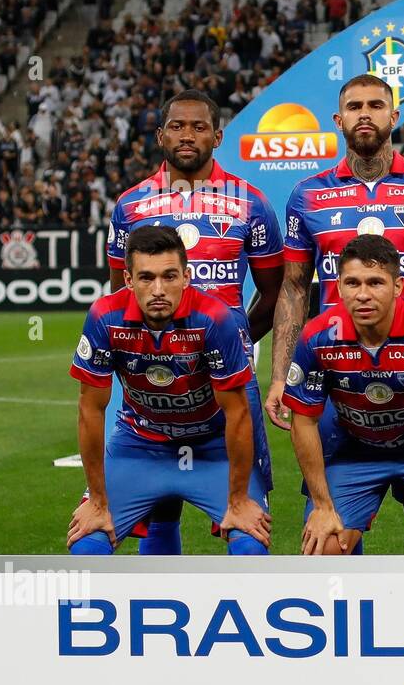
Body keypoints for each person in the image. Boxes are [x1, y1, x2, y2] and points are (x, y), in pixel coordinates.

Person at [268, 74, 404, 546]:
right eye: (355, 106)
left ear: (394, 115)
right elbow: (294, 289)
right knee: (327, 540)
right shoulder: (307, 196)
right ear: (338, 120)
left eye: (376, 105)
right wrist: (281, 374)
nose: (365, 113)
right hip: (339, 383)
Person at [107, 89, 283, 555]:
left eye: (199, 127)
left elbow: (274, 292)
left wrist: (237, 338)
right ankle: (159, 612)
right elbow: (119, 294)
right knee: (157, 508)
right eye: (178, 127)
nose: (188, 136)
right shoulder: (130, 205)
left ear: (218, 135)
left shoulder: (251, 203)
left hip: (227, 380)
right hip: (153, 377)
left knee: (246, 516)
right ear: (161, 134)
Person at [67, 225, 272, 555]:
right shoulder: (105, 317)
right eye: (146, 278)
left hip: (212, 447)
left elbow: (238, 412)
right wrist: (98, 500)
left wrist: (237, 501)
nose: (158, 289)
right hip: (139, 444)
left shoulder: (215, 319)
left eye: (170, 276)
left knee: (251, 544)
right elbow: (90, 409)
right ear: (128, 280)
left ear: (187, 277)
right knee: (86, 547)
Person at [283, 236, 404, 555]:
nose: (362, 294)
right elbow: (304, 421)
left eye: (375, 282)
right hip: (353, 448)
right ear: (339, 286)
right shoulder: (317, 337)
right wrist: (321, 505)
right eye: (352, 283)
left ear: (398, 285)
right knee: (325, 549)